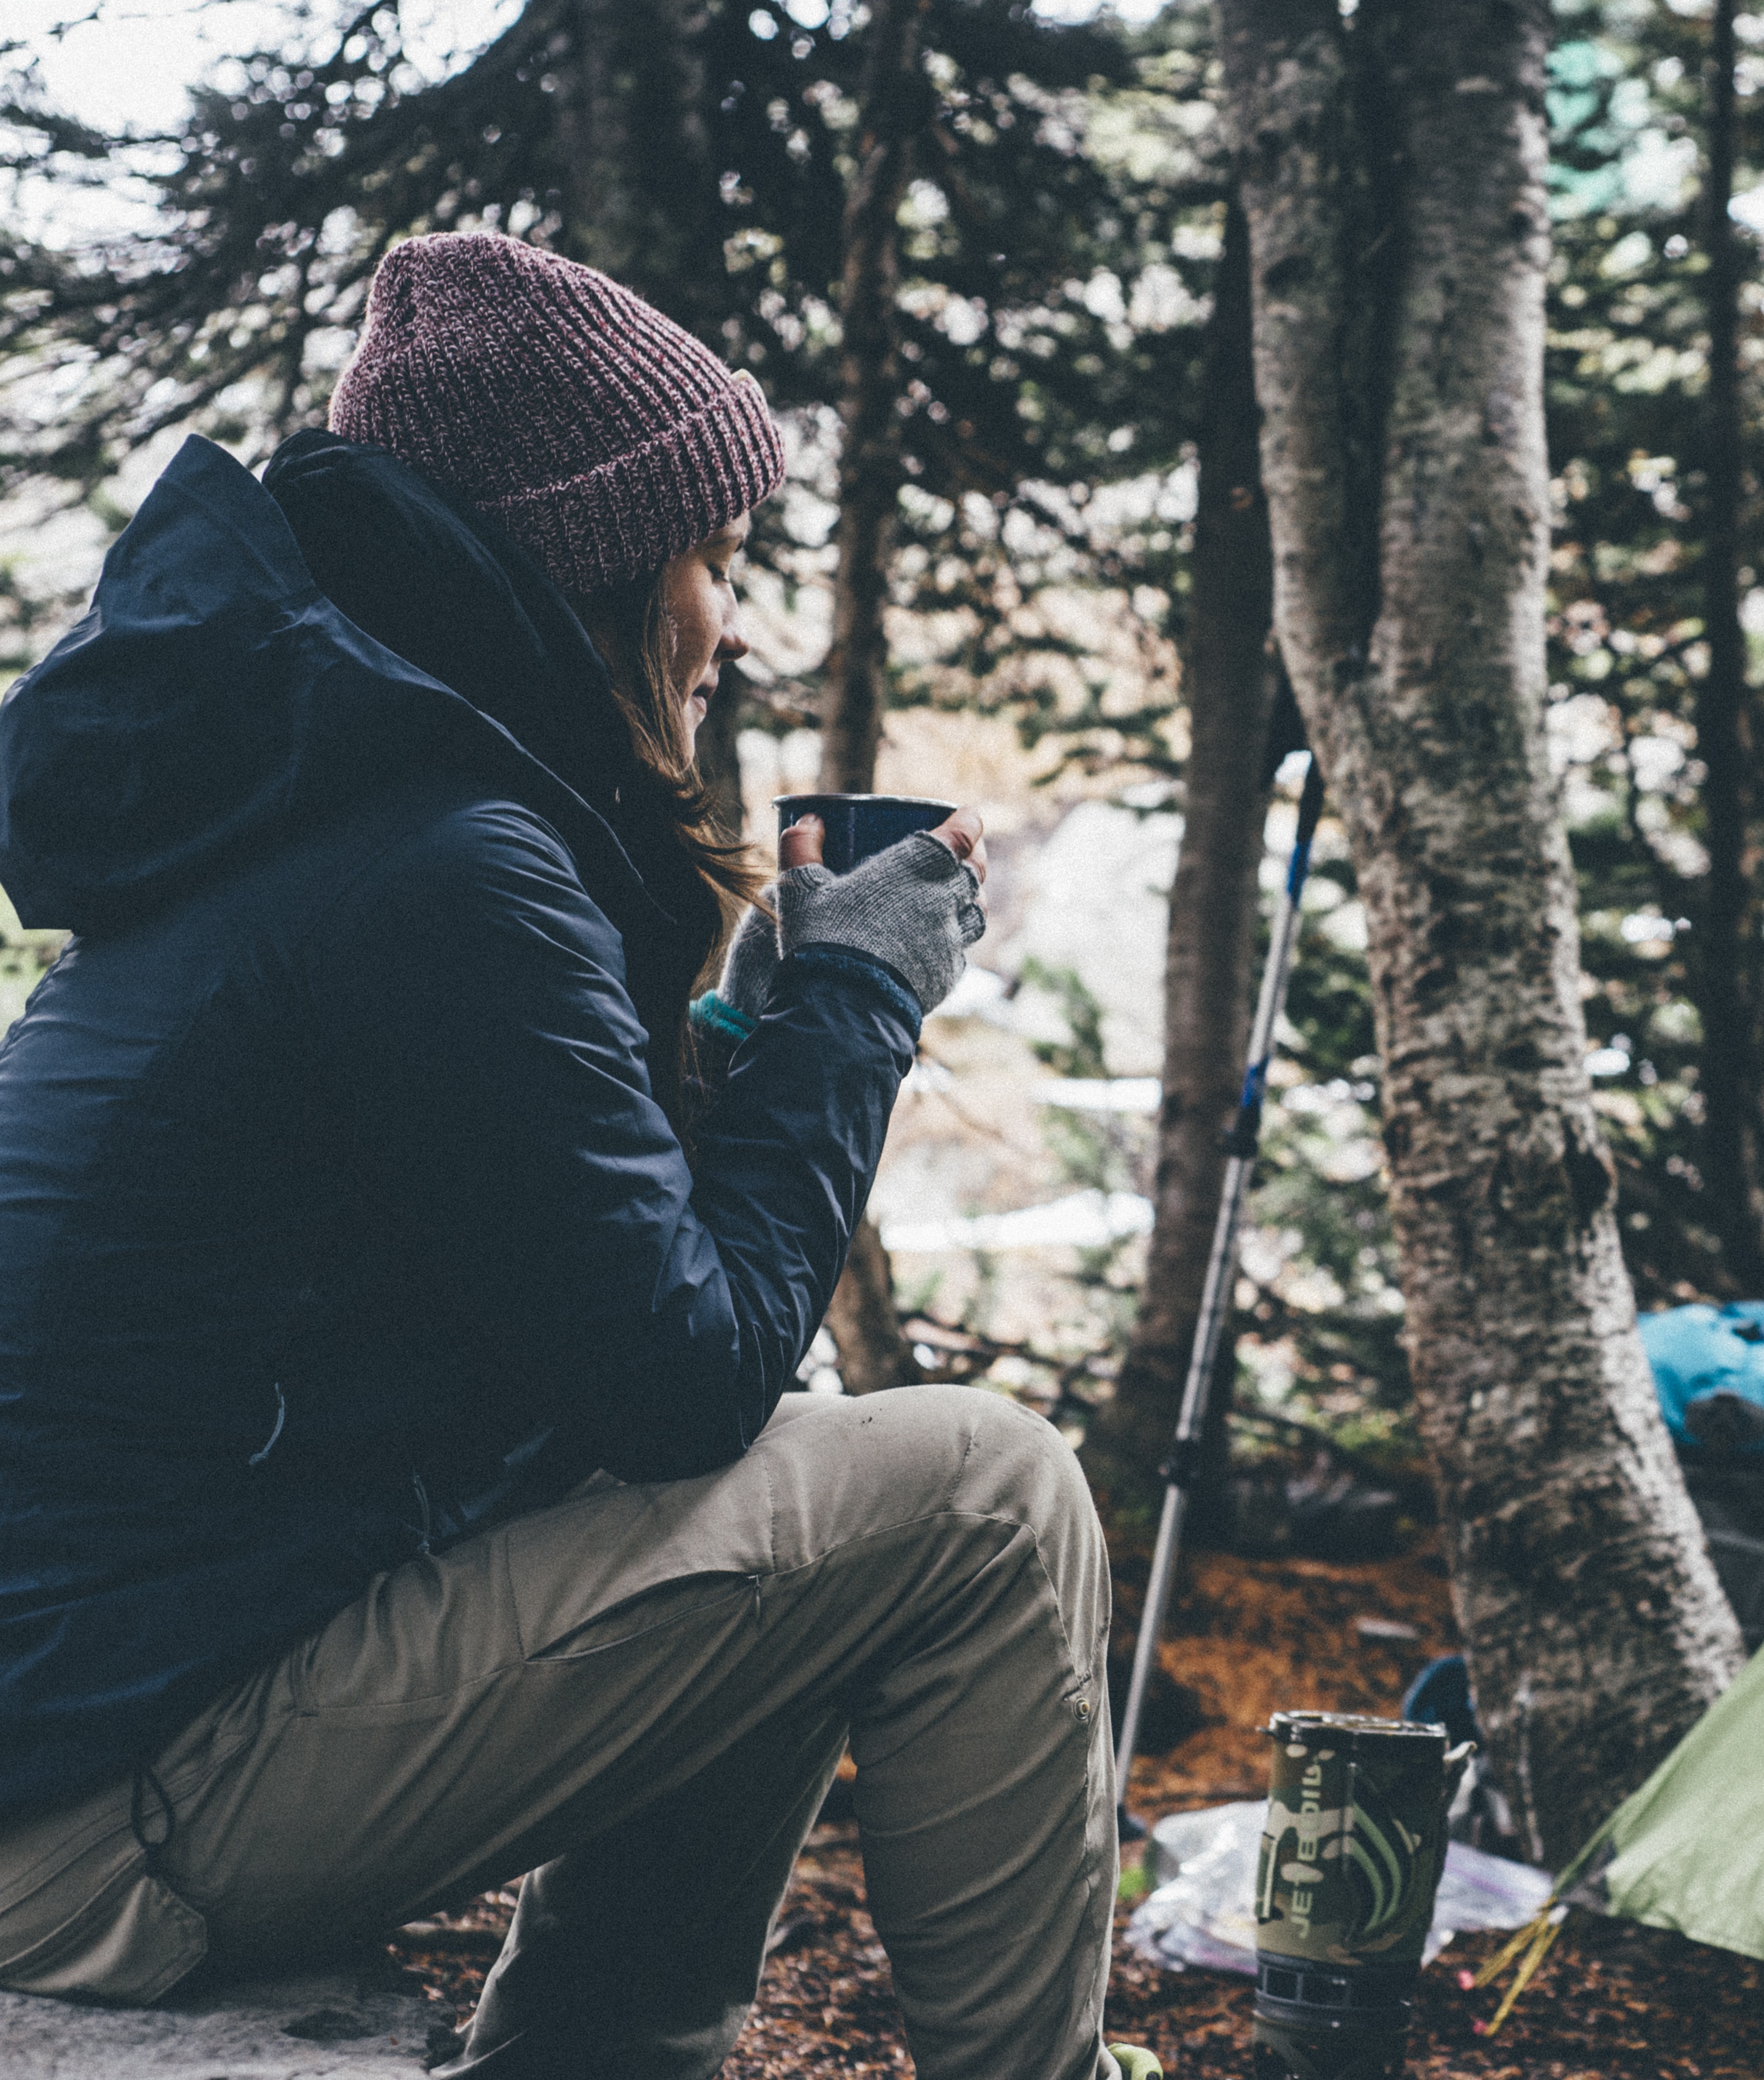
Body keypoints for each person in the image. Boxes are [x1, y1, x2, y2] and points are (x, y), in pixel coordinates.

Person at [0, 232, 1134, 2079]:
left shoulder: (324, 807)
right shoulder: (445, 857)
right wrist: (855, 1005)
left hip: (78, 1735)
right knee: (983, 1493)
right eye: (712, 560)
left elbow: (577, 1306)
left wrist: (749, 1032)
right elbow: (676, 1377)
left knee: (798, 1496)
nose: (733, 623)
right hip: (94, 1813)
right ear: (595, 567)